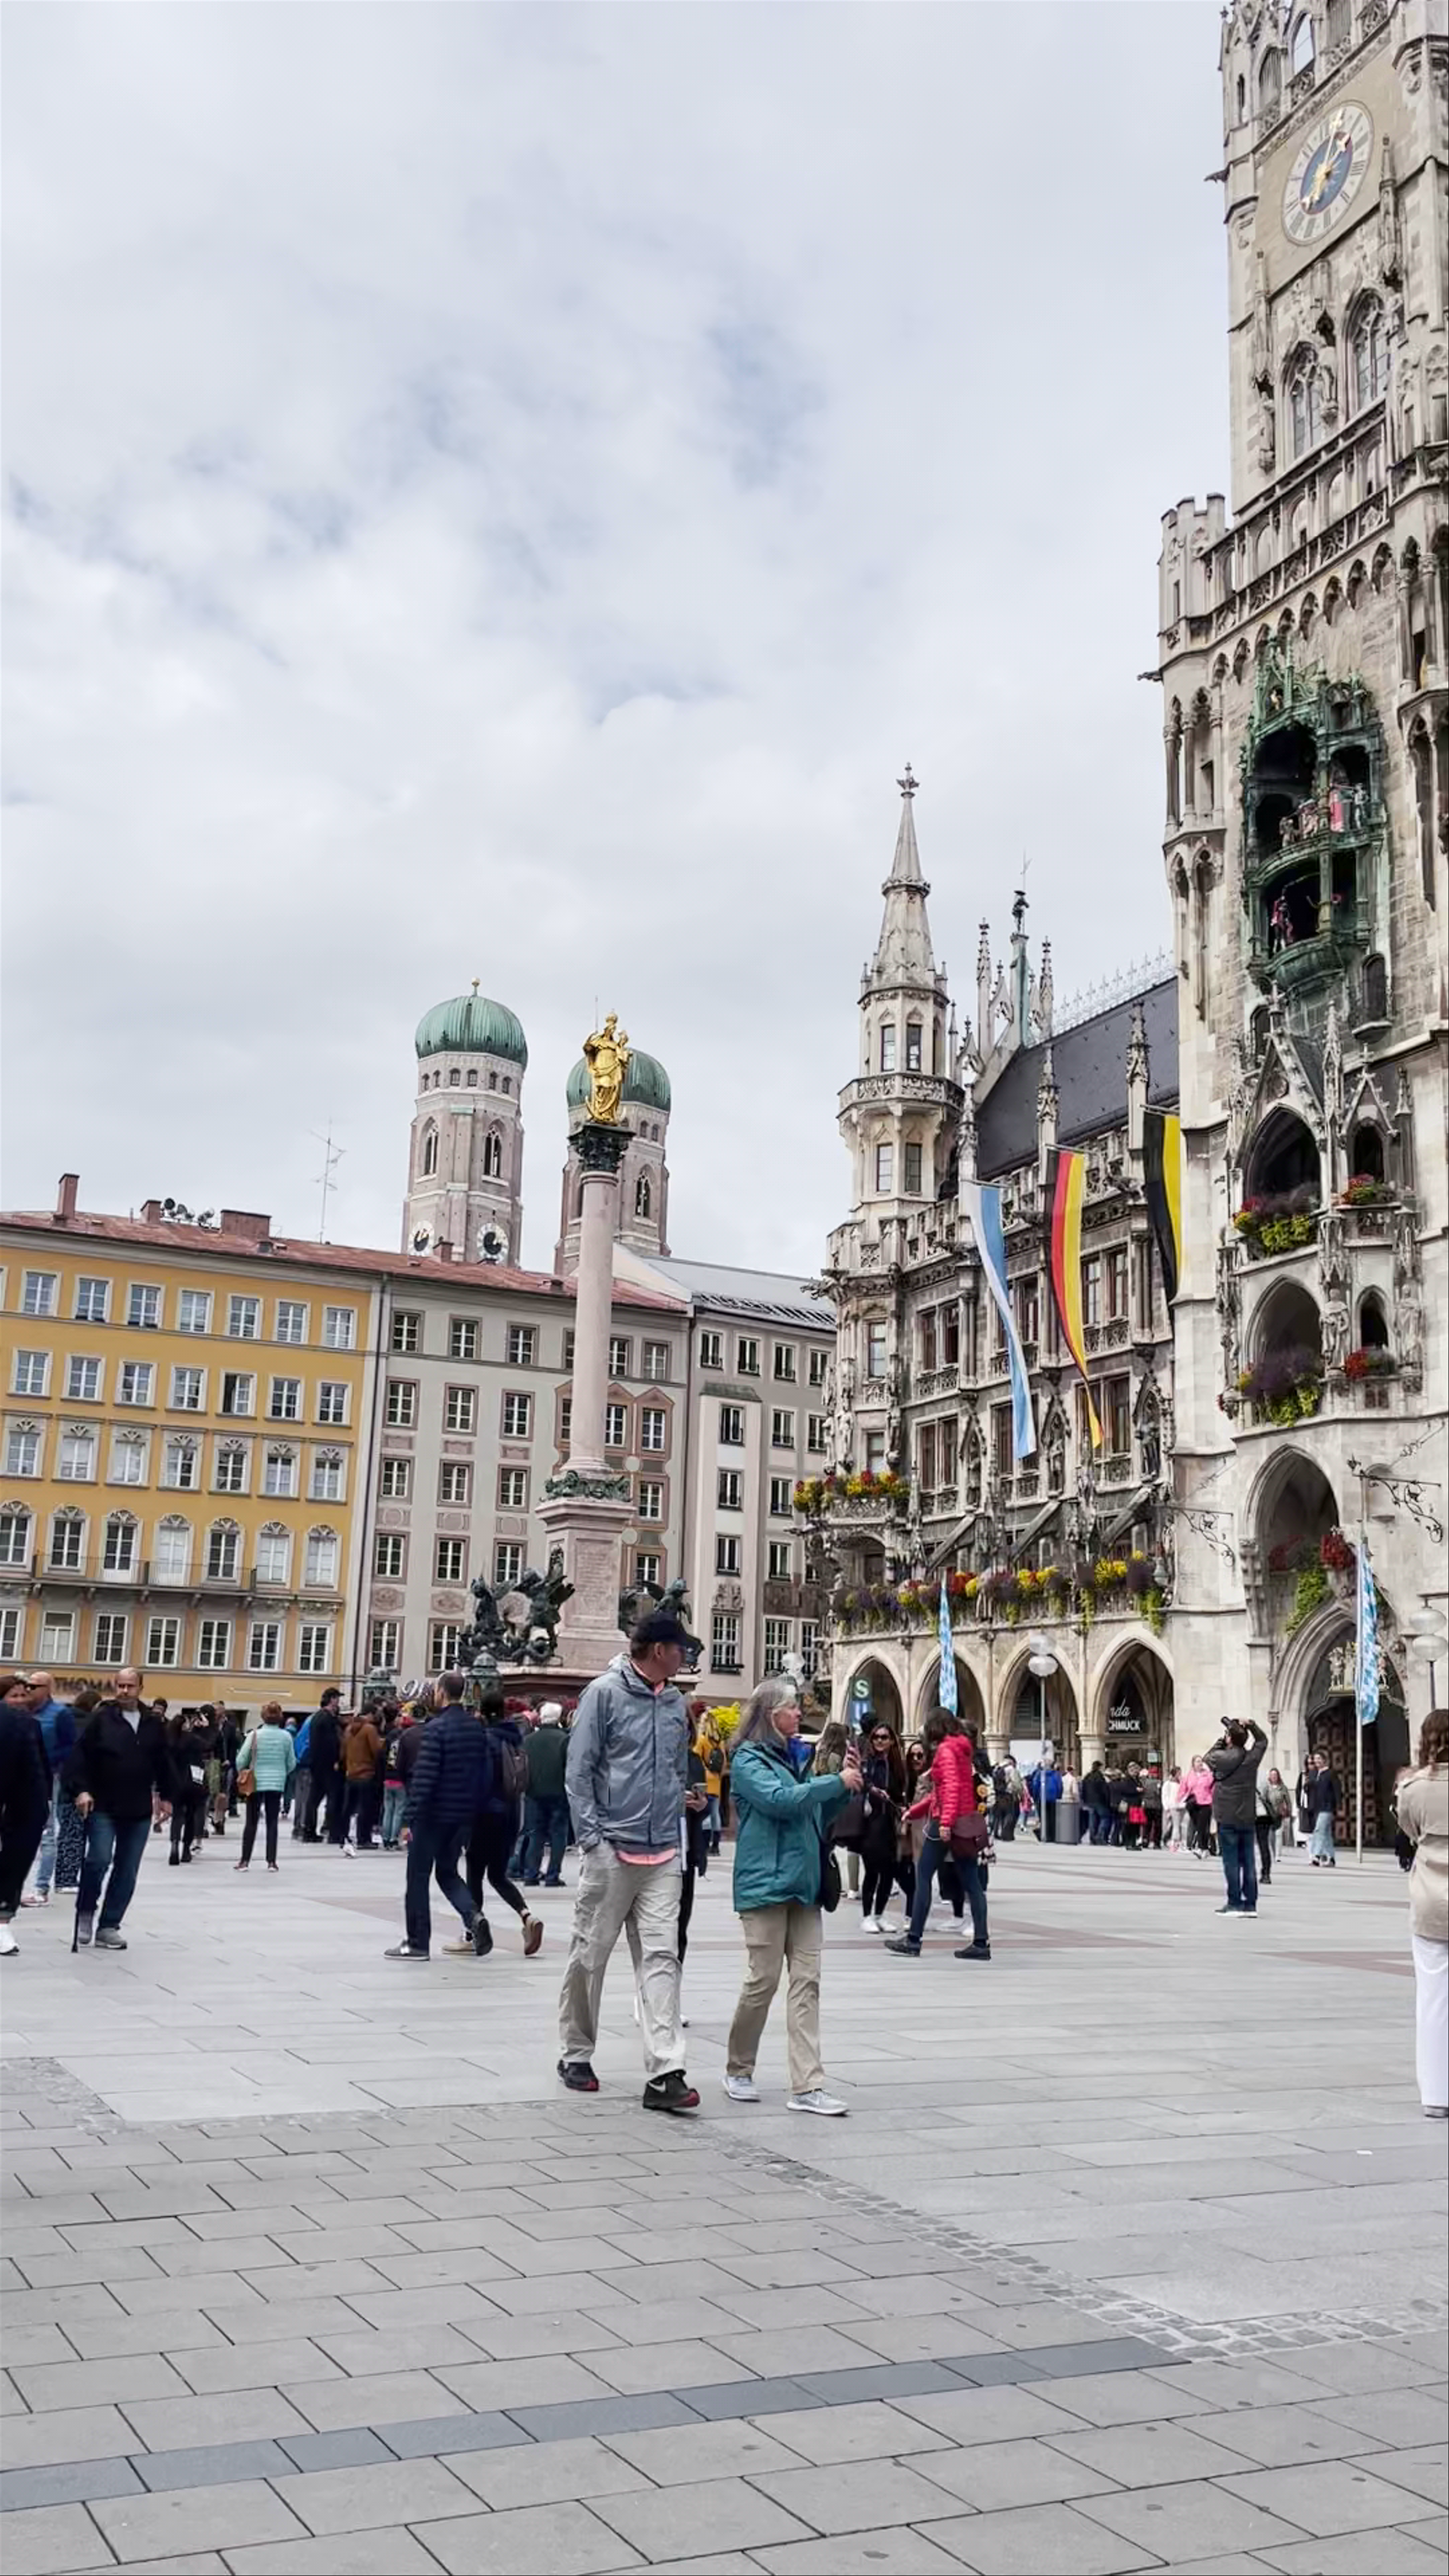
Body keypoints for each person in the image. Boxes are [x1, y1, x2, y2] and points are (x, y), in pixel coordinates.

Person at [557, 1612, 697, 2112]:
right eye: (682, 1648)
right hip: (613, 1848)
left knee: (662, 1958)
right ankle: (576, 2051)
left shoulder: (676, 1701)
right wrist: (593, 1840)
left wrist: (684, 1798)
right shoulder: (604, 1693)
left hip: (663, 1850)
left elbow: (676, 1764)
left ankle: (666, 2069)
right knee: (590, 1955)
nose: (686, 1657)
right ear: (659, 1650)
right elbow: (580, 1771)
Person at [723, 1677, 860, 2115]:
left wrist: (842, 1788)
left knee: (808, 1983)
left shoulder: (795, 1758)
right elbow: (779, 1801)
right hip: (764, 1885)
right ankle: (739, 2067)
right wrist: (832, 1781)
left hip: (803, 1885)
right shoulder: (748, 1759)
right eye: (792, 1708)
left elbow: (816, 1814)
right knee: (762, 1981)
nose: (800, 1714)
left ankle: (808, 2085)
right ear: (770, 1714)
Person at [63, 1669, 176, 1949]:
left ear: (141, 1687)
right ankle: (87, 1910)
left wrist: (167, 1795)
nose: (125, 1691)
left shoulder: (153, 1722)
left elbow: (163, 1760)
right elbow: (80, 1757)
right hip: (103, 1803)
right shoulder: (102, 1719)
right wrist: (81, 1789)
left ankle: (109, 1925)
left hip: (138, 1807)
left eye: (130, 1686)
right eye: (121, 1686)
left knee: (127, 1869)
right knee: (98, 1859)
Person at [386, 1674, 492, 1960]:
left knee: (418, 1877)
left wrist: (409, 1818)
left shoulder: (436, 1729)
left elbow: (425, 1778)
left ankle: (417, 1943)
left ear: (442, 1692)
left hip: (433, 1816)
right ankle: (473, 1916)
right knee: (448, 1872)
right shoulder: (475, 1729)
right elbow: (484, 1774)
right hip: (462, 1816)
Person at [887, 1709, 991, 1959]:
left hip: (946, 1821)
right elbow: (942, 1791)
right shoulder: (963, 1749)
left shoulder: (945, 1750)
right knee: (972, 1882)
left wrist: (944, 1823)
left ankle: (913, 1940)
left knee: (923, 1875)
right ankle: (981, 1942)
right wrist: (915, 1811)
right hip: (964, 1821)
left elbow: (950, 1789)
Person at [1395, 1712, 1448, 2120]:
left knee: (1433, 1998)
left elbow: (1410, 1832)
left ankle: (1436, 2092)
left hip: (1432, 1894)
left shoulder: (1413, 1787)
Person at [466, 1688, 543, 1955]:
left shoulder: (485, 1740)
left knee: (475, 1872)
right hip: (512, 1814)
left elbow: (480, 1783)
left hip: (487, 1816)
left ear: (482, 1713)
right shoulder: (517, 1738)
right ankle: (527, 1916)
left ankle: (473, 1933)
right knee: (498, 1875)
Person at [0, 1676, 51, 1949]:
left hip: (24, 1806)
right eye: (13, 1696)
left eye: (23, 1695)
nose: (20, 1701)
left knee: (15, 1863)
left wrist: (45, 1802)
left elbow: (41, 1765)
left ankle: (3, 1921)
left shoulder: (31, 1726)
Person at [19, 1673, 75, 1907]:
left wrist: (53, 1765)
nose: (29, 1690)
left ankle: (41, 1887)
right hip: (19, 1776)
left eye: (35, 1687)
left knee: (48, 1832)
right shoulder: (22, 1711)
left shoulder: (60, 1714)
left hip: (48, 1777)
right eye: (28, 1686)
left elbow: (70, 1746)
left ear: (48, 1688)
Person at [1206, 1718, 1268, 1916]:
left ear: (1230, 1739)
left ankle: (1234, 1903)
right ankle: (1250, 1904)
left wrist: (1223, 1740)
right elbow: (1263, 1741)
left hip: (1228, 1817)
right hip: (1247, 1817)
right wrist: (1251, 1725)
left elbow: (1208, 1757)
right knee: (1249, 1860)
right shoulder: (1252, 1758)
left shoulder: (1221, 1758)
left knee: (1231, 1861)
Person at [858, 1721, 909, 1930]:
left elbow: (901, 1791)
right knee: (872, 1869)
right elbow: (861, 1782)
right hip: (871, 1821)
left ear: (892, 1741)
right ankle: (867, 1916)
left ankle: (880, 1914)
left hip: (890, 1821)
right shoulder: (868, 1761)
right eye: (876, 1737)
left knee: (889, 1870)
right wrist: (872, 1789)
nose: (880, 1741)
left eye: (884, 1737)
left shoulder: (897, 1764)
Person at [234, 1703, 297, 1871]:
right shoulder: (286, 1737)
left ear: (263, 1716)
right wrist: (281, 1772)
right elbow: (292, 1762)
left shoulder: (255, 1735)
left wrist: (243, 1771)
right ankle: (272, 1862)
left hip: (255, 1782)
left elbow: (241, 1760)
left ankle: (245, 1861)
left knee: (251, 1822)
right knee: (272, 1822)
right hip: (276, 1783)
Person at [521, 1701, 571, 1887]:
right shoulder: (565, 1739)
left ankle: (531, 1873)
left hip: (534, 1793)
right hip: (559, 1793)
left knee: (536, 1835)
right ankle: (552, 1875)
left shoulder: (529, 1741)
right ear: (559, 1718)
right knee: (558, 1835)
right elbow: (570, 1767)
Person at [169, 1708, 214, 1864]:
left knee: (177, 1816)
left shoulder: (170, 1741)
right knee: (190, 1817)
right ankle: (186, 1849)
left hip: (175, 1782)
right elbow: (208, 1746)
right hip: (192, 1782)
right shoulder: (192, 1739)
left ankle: (174, 1844)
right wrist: (206, 1728)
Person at [340, 1707, 383, 1851]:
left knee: (348, 1808)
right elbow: (377, 1750)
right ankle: (363, 1839)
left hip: (351, 1774)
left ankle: (343, 1836)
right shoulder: (369, 1730)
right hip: (366, 1774)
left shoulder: (348, 1730)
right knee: (366, 1809)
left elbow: (343, 1752)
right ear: (369, 1715)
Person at [309, 1688, 345, 1843]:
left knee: (314, 1799)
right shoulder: (327, 1719)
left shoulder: (317, 1717)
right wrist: (337, 1760)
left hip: (317, 1764)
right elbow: (332, 1743)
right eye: (337, 1699)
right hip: (329, 1765)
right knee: (334, 1798)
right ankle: (333, 1831)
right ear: (332, 1700)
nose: (338, 1702)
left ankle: (308, 1830)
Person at [1299, 1751, 1340, 1865]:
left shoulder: (1331, 1774)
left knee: (1319, 1831)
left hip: (1327, 1807)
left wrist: (1338, 1806)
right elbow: (1308, 1789)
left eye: (1319, 1759)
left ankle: (1317, 1856)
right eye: (1315, 1760)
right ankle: (1331, 1858)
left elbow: (1337, 1790)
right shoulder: (1314, 1774)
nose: (1317, 1762)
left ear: (1324, 1760)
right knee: (1326, 1834)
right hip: (1317, 1807)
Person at [1181, 1753, 1215, 1856]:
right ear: (1193, 1764)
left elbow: (1213, 1788)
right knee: (1199, 1827)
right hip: (1193, 1804)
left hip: (1206, 1803)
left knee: (1203, 1826)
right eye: (1197, 1761)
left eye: (1201, 1761)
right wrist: (1182, 1799)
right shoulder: (1189, 1776)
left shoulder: (1208, 1775)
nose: (1200, 1763)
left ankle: (1203, 1848)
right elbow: (1184, 1789)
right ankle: (1204, 1848)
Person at [1025, 1753, 1063, 1843]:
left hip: (1042, 1800)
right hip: (1054, 1800)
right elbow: (1060, 1787)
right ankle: (1052, 1836)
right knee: (1053, 1818)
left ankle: (1044, 1835)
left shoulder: (1039, 1775)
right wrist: (1059, 1797)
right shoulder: (1057, 1775)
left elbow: (1035, 1786)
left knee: (1043, 1818)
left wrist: (1035, 1798)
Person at [1263, 1766, 1294, 1853]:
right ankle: (1274, 1851)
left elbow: (1288, 1801)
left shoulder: (1283, 1788)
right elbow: (1264, 1800)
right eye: (1272, 1775)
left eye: (1275, 1775)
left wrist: (1289, 1811)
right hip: (1270, 1814)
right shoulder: (1267, 1787)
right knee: (1271, 1835)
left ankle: (1278, 1854)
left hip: (1280, 1813)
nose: (1274, 1777)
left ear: (1278, 1776)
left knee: (1279, 1834)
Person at [993, 1754, 1024, 1841]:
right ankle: (1007, 1836)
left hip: (999, 1795)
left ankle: (996, 1833)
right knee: (1010, 1816)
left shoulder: (997, 1769)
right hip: (1009, 1795)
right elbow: (1017, 1784)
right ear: (1012, 1762)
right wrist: (1021, 1795)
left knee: (1000, 1816)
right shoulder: (1011, 1770)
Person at [1080, 1760, 1111, 1844]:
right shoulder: (1100, 1777)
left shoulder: (1088, 1776)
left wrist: (1085, 1800)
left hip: (1090, 1801)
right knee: (1105, 1818)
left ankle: (1092, 1838)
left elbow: (1083, 1789)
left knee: (1092, 1820)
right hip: (1100, 1801)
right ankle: (1100, 1836)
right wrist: (1107, 1801)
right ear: (1100, 1767)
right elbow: (1104, 1790)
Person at [1162, 1765, 1187, 1851]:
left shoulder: (1182, 1783)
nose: (1180, 1775)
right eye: (1178, 1773)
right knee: (1176, 1825)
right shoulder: (1168, 1784)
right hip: (1173, 1806)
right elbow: (1165, 1796)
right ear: (1174, 1774)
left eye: (1181, 1773)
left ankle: (1181, 1843)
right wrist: (1167, 1808)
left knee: (1181, 1825)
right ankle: (1174, 1843)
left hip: (1182, 1805)